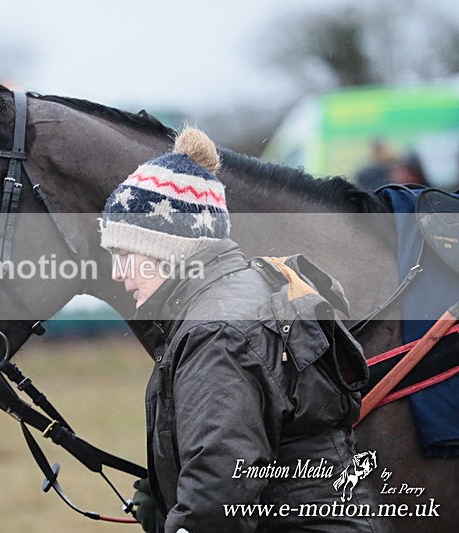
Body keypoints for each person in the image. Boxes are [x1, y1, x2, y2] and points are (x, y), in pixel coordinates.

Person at [99, 128, 390, 532]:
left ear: (171, 247)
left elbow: (220, 492)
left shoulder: (217, 330)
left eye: (125, 254)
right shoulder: (242, 291)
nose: (117, 273)